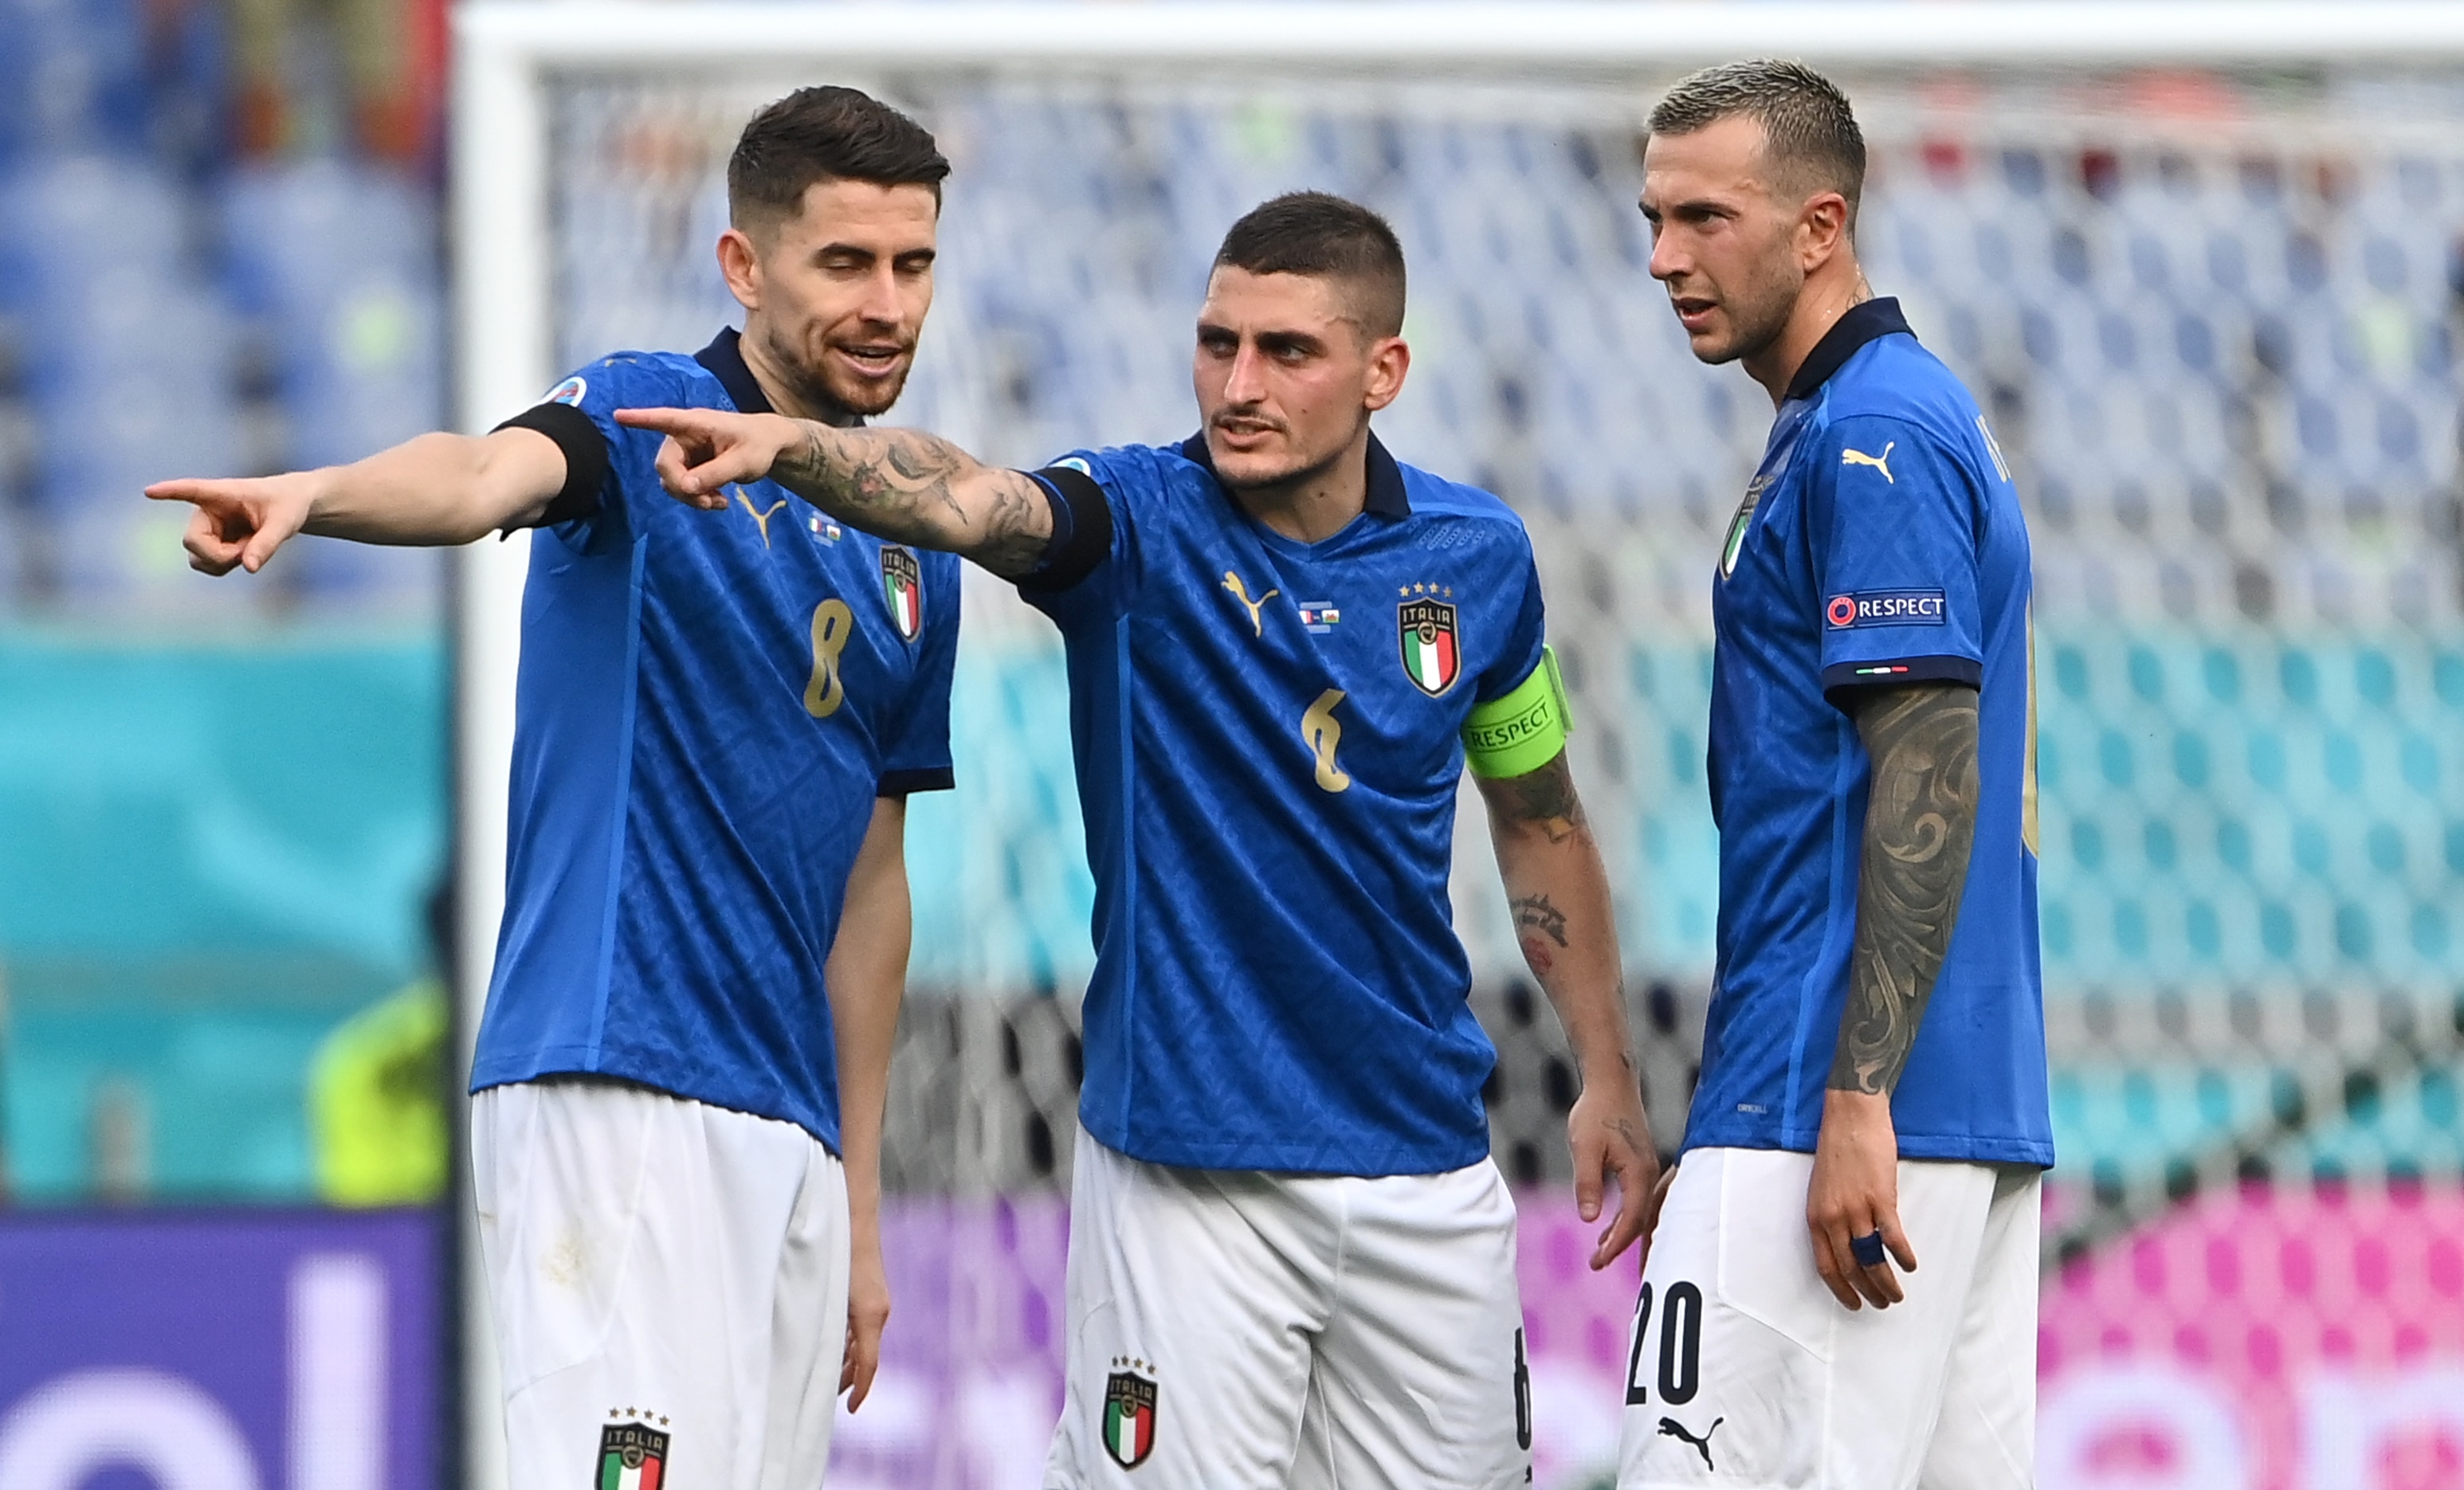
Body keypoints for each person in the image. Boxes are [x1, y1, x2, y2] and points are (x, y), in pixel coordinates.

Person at [619, 190, 1660, 1489]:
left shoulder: (1479, 560)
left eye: (1287, 351)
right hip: (1186, 1179)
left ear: (1383, 372)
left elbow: (1540, 815)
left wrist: (1606, 1067)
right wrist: (796, 447)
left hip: (1425, 1168)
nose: (1238, 384)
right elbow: (974, 500)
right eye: (1218, 343)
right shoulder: (1138, 523)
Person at [146, 86, 960, 1490]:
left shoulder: (912, 541)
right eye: (845, 263)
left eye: (913, 264)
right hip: (620, 1079)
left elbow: (872, 887)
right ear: (745, 265)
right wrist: (315, 493)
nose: (886, 304)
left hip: (793, 1130)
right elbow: (479, 475)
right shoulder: (652, 417)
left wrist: (863, 1195)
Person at [1616, 61, 2049, 1489]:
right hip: (1948, 1113)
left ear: (1820, 227)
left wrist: (1848, 1101)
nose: (1667, 257)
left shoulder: (1873, 433)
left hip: (1835, 1110)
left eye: (1705, 217)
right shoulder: (1894, 413)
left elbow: (1929, 761)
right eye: (1654, 219)